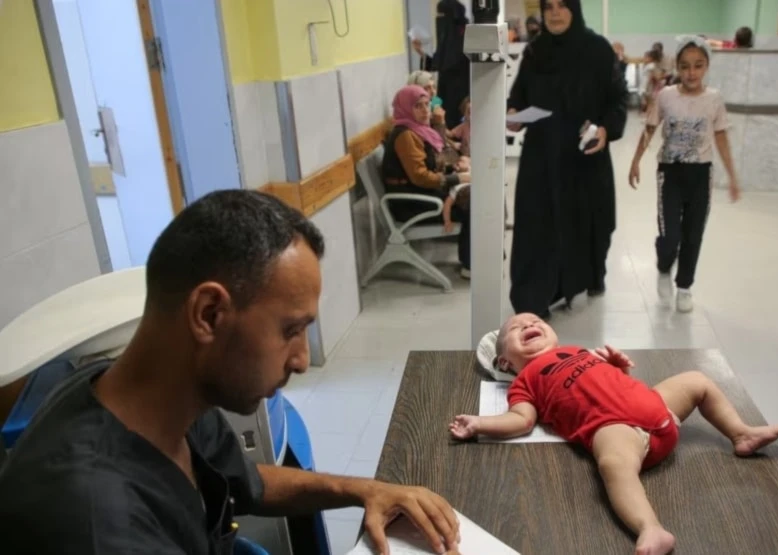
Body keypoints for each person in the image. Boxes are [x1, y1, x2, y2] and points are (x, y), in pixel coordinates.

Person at [0, 190, 461, 555]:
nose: (301, 360)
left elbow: (249, 482)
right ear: (209, 314)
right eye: (290, 330)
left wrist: (366, 490)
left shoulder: (157, 393)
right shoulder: (100, 522)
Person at [451, 313, 778, 555]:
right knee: (613, 464)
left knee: (697, 381)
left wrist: (617, 365)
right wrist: (481, 423)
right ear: (506, 363)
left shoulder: (578, 350)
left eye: (536, 321)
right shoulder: (525, 381)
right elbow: (521, 420)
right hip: (617, 430)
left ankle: (740, 433)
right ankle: (650, 528)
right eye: (515, 328)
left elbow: (616, 383)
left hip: (654, 404)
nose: (529, 325)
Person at [506, 0, 630, 318]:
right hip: (541, 157)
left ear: (575, 10)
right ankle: (535, 297)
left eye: (563, 6)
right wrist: (513, 115)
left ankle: (587, 277)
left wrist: (605, 129)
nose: (555, 13)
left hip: (584, 155)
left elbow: (617, 99)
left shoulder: (598, 50)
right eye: (549, 7)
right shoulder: (535, 53)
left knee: (591, 224)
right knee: (537, 225)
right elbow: (518, 99)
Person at [628, 36, 740, 313]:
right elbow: (650, 128)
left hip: (701, 174)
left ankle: (685, 286)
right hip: (670, 173)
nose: (692, 72)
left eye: (698, 66)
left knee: (693, 234)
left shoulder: (714, 99)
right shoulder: (666, 96)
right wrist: (636, 161)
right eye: (685, 66)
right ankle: (664, 266)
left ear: (706, 67)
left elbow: (721, 136)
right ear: (677, 67)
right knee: (670, 236)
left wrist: (732, 175)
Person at [383, 85, 472, 277]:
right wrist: (457, 178)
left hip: (421, 194)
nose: (425, 110)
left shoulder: (419, 131)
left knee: (476, 194)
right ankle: (470, 265)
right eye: (417, 106)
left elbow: (432, 164)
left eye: (426, 104)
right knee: (474, 204)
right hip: (412, 203)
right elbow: (420, 176)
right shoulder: (405, 135)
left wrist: (454, 168)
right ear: (406, 108)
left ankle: (479, 258)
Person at [412, 0, 470, 129]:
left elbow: (450, 63)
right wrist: (421, 52)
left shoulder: (467, 37)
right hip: (446, 93)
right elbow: (442, 63)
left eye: (442, 15)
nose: (439, 20)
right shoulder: (449, 35)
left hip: (463, 96)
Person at [407, 71, 468, 172]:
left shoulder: (431, 109)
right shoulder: (417, 117)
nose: (433, 92)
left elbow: (443, 137)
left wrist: (452, 143)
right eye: (427, 88)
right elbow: (438, 145)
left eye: (433, 87)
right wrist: (439, 123)